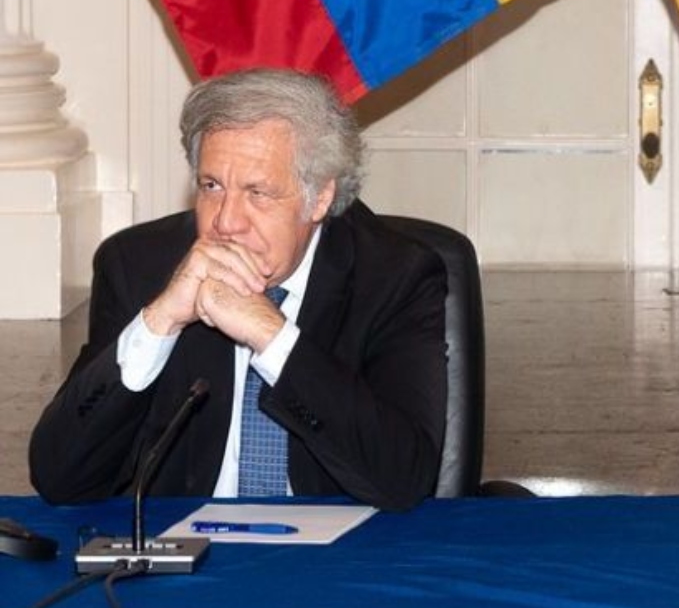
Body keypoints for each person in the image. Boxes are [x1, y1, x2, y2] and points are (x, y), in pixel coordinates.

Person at [29, 68, 447, 512]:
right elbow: (60, 479)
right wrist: (159, 323)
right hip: (189, 545)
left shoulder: (395, 277)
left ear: (321, 197)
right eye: (212, 186)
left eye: (257, 193)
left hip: (335, 549)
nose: (226, 221)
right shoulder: (138, 266)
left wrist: (273, 337)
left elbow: (404, 479)